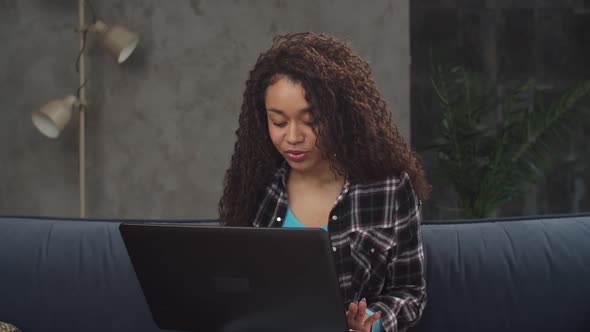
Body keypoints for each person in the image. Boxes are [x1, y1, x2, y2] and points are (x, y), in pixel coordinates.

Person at [219, 32, 430, 332]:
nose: (293, 136)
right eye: (278, 122)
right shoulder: (258, 185)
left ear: (342, 116)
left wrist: (372, 322)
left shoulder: (390, 188)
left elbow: (410, 291)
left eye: (310, 120)